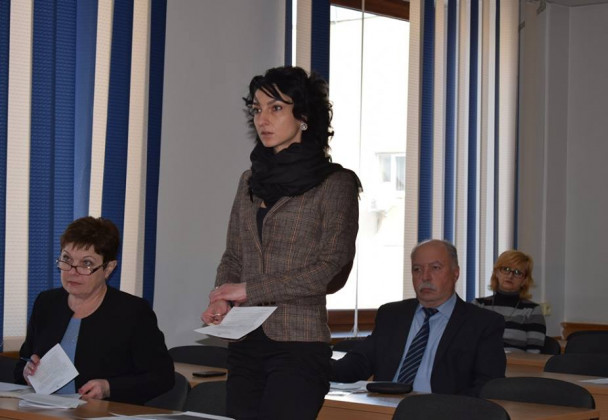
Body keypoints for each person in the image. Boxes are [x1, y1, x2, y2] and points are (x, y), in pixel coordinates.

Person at [200, 66, 361, 420]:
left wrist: (249, 290)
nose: (263, 119)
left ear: (303, 115)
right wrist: (221, 297)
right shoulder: (249, 181)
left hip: (299, 344)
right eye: (257, 109)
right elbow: (234, 255)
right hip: (245, 343)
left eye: (276, 108)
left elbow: (330, 268)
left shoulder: (336, 184)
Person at [15, 216, 174, 404]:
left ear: (108, 268)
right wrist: (27, 371)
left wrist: (109, 387)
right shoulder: (46, 303)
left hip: (103, 412)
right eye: (67, 259)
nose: (72, 271)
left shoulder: (133, 312)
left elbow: (162, 377)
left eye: (87, 263)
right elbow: (24, 360)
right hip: (43, 409)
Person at [331, 239, 506, 397]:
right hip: (386, 407)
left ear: (455, 273)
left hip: (442, 412)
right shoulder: (392, 314)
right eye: (417, 269)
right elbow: (357, 364)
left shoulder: (483, 323)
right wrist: (317, 362)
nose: (425, 277)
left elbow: (487, 386)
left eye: (435, 268)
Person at [473, 249, 546, 353]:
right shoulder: (478, 305)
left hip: (517, 363)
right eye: (506, 269)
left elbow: (534, 353)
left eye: (517, 272)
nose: (510, 276)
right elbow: (466, 343)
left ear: (524, 280)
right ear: (496, 272)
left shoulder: (532, 311)